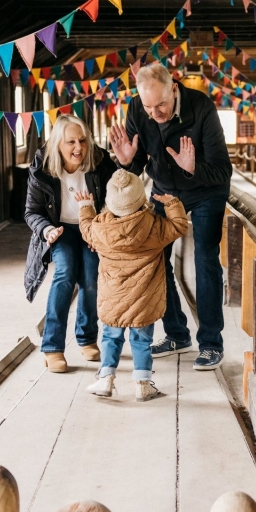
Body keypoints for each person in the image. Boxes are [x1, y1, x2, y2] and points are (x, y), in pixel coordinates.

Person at [109, 64, 232, 370]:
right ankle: (177, 333)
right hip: (164, 188)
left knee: (204, 258)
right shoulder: (138, 108)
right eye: (149, 107)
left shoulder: (202, 107)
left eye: (161, 105)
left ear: (173, 88)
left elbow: (222, 169)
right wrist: (126, 163)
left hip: (206, 189)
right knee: (155, 259)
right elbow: (135, 161)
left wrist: (193, 168)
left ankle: (211, 342)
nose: (156, 113)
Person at [75, 170, 188, 400]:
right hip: (143, 300)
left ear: (109, 201)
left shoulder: (100, 229)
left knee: (110, 338)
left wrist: (86, 206)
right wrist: (172, 203)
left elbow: (85, 228)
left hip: (112, 299)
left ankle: (105, 380)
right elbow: (179, 226)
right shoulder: (154, 227)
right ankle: (143, 385)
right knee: (142, 340)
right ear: (141, 199)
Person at [24, 115, 117, 372]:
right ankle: (52, 347)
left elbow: (117, 197)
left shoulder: (99, 161)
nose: (79, 148)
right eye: (71, 142)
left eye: (83, 141)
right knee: (64, 274)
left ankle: (87, 338)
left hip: (91, 226)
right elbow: (32, 211)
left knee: (90, 277)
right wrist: (47, 230)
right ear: (58, 145)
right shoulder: (42, 167)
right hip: (59, 229)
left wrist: (102, 228)